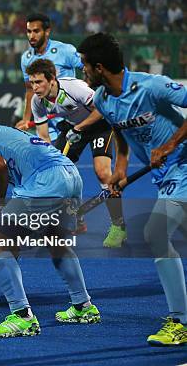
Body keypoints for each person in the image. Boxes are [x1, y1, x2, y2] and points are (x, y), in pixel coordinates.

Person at [0, 93, 100, 338]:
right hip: (70, 174)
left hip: (46, 182)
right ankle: (83, 306)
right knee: (56, 241)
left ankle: (22, 316)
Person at [78, 32, 187, 346]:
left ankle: (180, 320)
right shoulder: (101, 99)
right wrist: (121, 166)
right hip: (164, 178)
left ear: (99, 67)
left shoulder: (150, 86)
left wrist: (170, 143)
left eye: (85, 66)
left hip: (183, 167)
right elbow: (119, 128)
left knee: (156, 233)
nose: (83, 72)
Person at [26, 59, 127, 247]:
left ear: (52, 79)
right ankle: (75, 220)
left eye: (39, 82)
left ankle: (118, 226)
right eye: (32, 83)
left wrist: (79, 128)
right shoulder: (37, 101)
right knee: (56, 172)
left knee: (103, 173)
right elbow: (44, 136)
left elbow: (102, 110)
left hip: (100, 125)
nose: (35, 88)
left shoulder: (75, 88)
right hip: (72, 128)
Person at [15, 13, 83, 139]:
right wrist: (26, 119)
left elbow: (87, 69)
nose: (31, 36)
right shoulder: (26, 58)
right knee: (49, 155)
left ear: (47, 32)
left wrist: (84, 93)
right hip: (47, 120)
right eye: (29, 32)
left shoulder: (65, 51)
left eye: (36, 31)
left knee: (65, 156)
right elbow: (30, 89)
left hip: (69, 117)